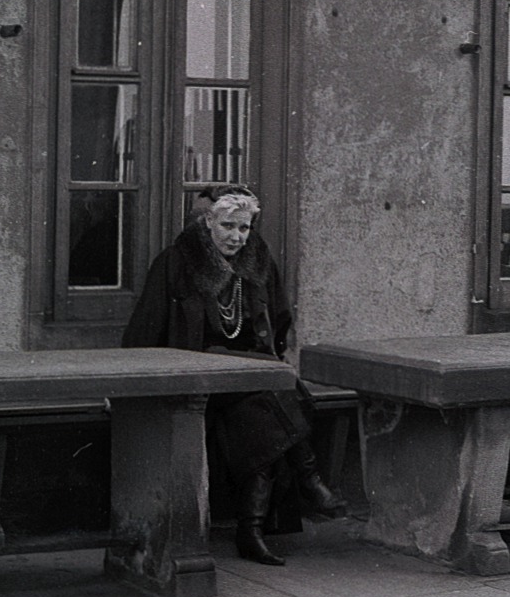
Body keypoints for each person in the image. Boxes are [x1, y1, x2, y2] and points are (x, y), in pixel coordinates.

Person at [121, 184, 346, 565]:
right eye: (228, 226)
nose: (237, 237)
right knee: (272, 402)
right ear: (207, 222)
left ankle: (253, 530)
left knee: (267, 403)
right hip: (197, 376)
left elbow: (278, 319)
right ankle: (300, 489)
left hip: (248, 374)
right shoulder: (176, 263)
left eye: (244, 229)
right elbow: (145, 328)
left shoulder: (257, 262)